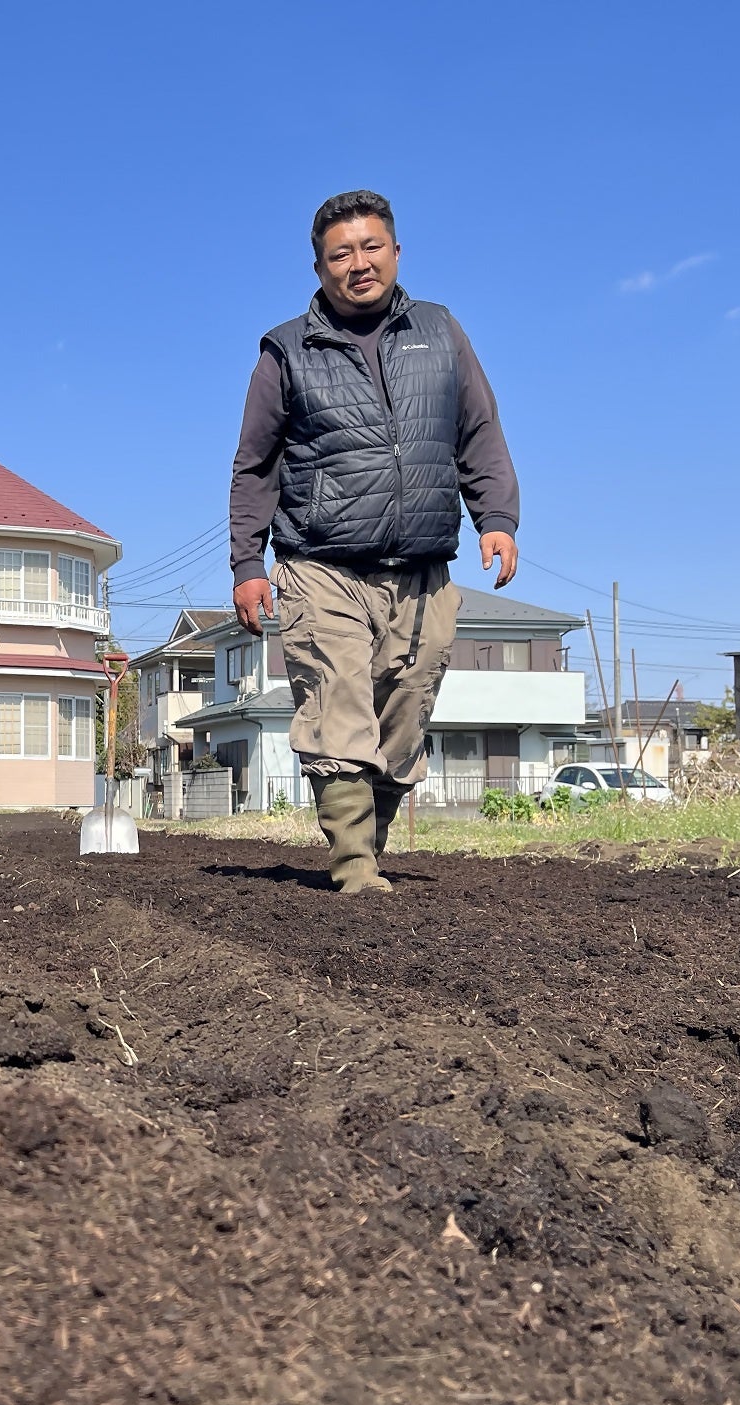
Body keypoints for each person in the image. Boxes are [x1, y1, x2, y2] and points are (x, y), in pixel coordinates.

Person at [228, 189, 520, 892]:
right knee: (339, 705)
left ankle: (371, 845)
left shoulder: (441, 331)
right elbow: (255, 464)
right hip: (320, 564)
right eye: (340, 254)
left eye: (370, 248)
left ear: (395, 252)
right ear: (320, 265)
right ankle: (354, 866)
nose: (358, 265)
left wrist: (498, 519)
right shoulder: (285, 350)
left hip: (421, 567)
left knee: (403, 716)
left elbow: (477, 429)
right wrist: (248, 562)